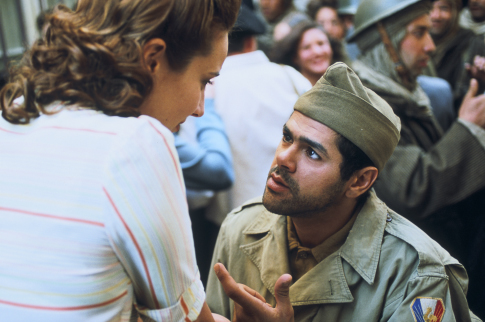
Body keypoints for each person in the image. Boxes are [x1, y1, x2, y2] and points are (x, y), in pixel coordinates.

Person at [0, 0, 275, 320]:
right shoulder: (136, 146)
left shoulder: (15, 113)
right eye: (205, 80)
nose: (200, 107)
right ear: (153, 58)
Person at [206, 62, 481, 322]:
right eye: (287, 137)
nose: (283, 159)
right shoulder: (239, 227)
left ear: (359, 181)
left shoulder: (417, 274)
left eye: (312, 153)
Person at [347, 0, 485, 318]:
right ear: (386, 41)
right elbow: (411, 188)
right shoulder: (367, 105)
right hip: (409, 272)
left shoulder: (407, 91)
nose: (431, 46)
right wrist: (468, 129)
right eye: (419, 32)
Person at [206, 2, 311, 224]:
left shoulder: (207, 89)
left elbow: (202, 189)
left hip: (232, 223)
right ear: (251, 41)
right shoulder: (288, 77)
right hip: (294, 216)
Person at [426, 0, 485, 109]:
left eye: (443, 8)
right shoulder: (417, 41)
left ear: (455, 11)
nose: (435, 16)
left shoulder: (471, 42)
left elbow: (463, 97)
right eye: (429, 8)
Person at [271, 20, 347, 85]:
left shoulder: (346, 86)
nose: (317, 52)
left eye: (321, 43)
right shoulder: (290, 95)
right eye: (306, 47)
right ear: (295, 57)